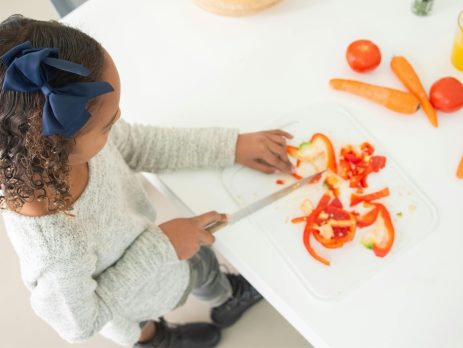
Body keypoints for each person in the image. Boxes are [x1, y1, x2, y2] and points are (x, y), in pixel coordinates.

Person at [0, 15, 294, 348]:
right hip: (133, 300)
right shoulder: (55, 250)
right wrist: (162, 247)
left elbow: (140, 145)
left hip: (155, 253)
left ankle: (223, 301)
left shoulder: (62, 145)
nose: (119, 120)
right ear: (54, 148)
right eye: (108, 125)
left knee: (194, 274)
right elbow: (78, 324)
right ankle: (160, 339)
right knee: (142, 325)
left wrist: (230, 146)